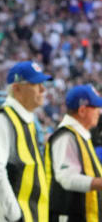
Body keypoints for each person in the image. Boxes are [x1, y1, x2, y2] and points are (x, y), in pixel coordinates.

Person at [0, 61, 50, 222]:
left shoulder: (27, 121)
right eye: (36, 84)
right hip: (7, 216)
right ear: (17, 88)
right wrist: (15, 215)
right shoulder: (1, 120)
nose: (43, 90)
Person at [45, 84, 102, 221]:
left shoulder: (80, 135)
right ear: (82, 111)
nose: (99, 112)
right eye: (95, 107)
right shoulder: (66, 136)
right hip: (69, 215)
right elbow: (67, 178)